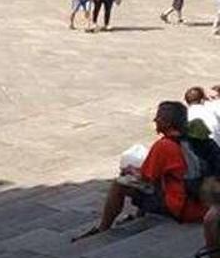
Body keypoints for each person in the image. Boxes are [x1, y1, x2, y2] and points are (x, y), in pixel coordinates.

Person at [75, 101, 208, 240]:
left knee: (120, 184)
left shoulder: (163, 145)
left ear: (168, 123)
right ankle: (138, 216)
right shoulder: (195, 139)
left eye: (159, 118)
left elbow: (146, 177)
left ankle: (103, 228)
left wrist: (130, 170)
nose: (155, 120)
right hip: (201, 204)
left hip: (181, 207)